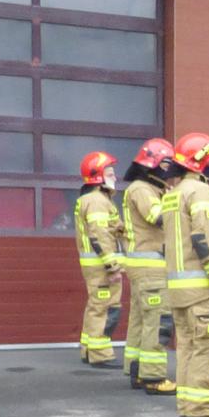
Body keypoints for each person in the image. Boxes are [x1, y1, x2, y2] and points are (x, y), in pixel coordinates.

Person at [163, 133, 209, 417]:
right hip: (202, 290)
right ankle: (202, 410)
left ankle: (189, 407)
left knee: (189, 350)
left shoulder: (172, 194)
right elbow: (205, 238)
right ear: (200, 163)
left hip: (179, 291)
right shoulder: (201, 192)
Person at [121, 138, 178, 396]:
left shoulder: (149, 188)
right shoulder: (142, 189)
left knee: (141, 320)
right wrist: (179, 204)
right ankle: (153, 377)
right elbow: (158, 217)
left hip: (144, 265)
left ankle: (137, 370)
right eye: (167, 164)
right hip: (150, 265)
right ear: (153, 164)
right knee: (159, 319)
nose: (170, 170)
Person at [73, 152, 126, 369]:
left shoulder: (95, 199)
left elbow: (110, 229)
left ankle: (88, 348)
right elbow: (99, 235)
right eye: (110, 174)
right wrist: (112, 266)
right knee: (106, 307)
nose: (115, 177)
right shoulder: (97, 201)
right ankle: (100, 354)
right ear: (98, 176)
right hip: (101, 266)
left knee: (96, 306)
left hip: (95, 264)